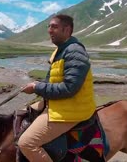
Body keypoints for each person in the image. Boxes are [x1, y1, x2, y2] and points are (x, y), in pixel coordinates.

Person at [18, 14, 96, 162]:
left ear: (67, 30)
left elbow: (69, 88)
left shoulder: (74, 52)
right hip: (59, 104)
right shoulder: (61, 50)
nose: (49, 30)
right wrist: (38, 84)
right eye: (49, 26)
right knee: (22, 113)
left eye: (54, 27)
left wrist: (37, 87)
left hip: (72, 109)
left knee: (27, 143)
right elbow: (53, 80)